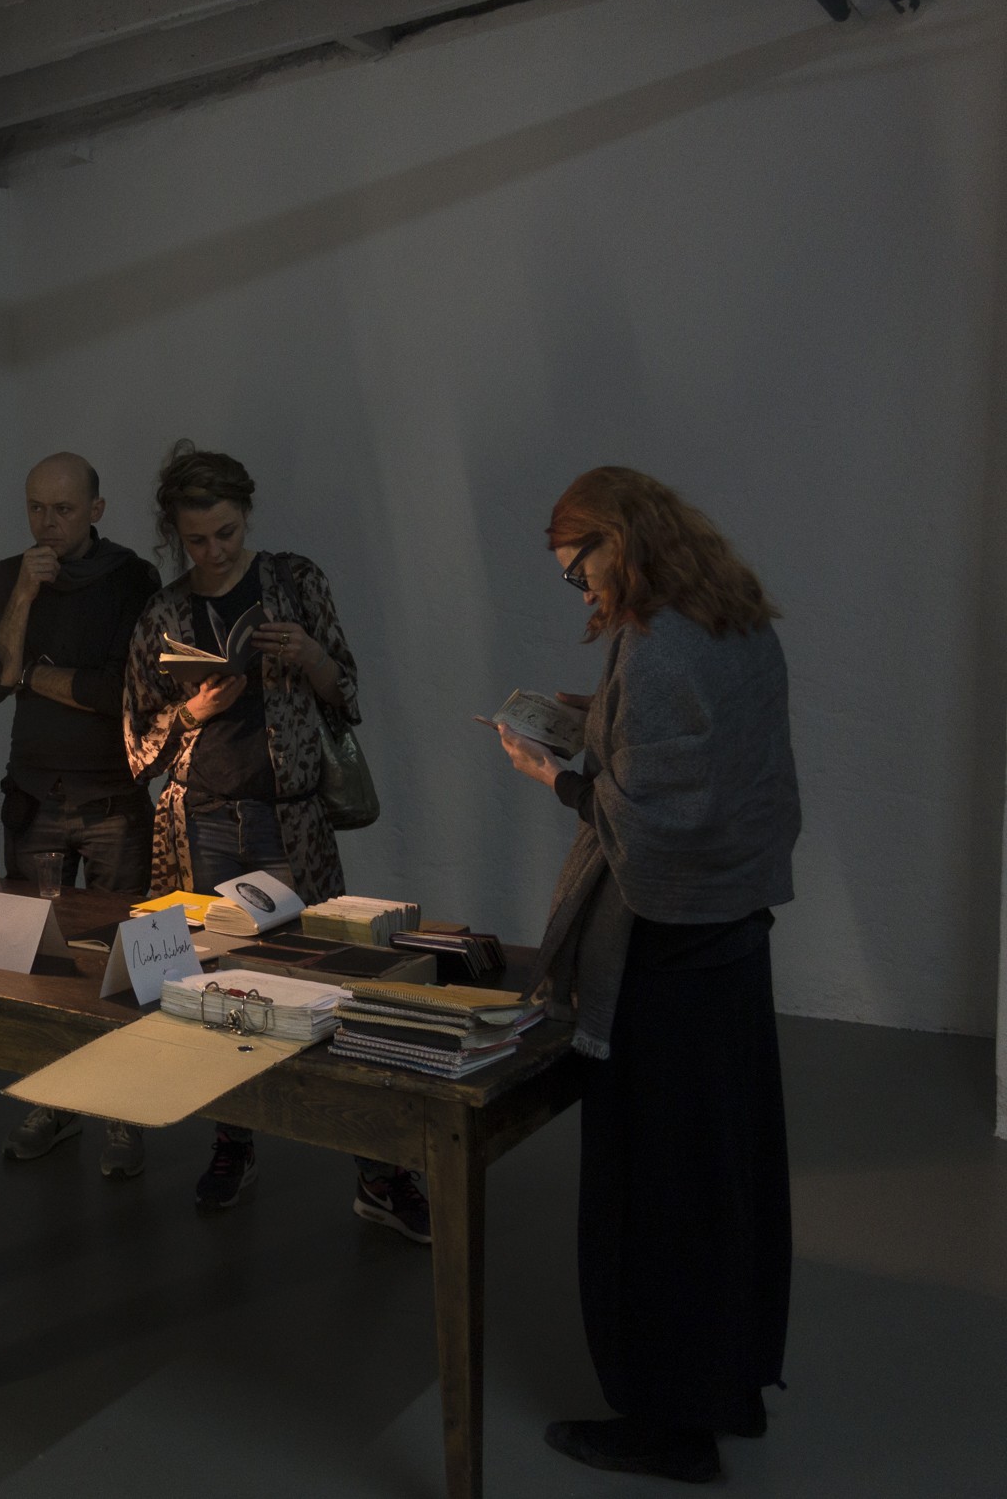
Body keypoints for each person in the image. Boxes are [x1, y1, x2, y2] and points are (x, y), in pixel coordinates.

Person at [494, 466, 798, 1485]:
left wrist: (557, 773)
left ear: (619, 540)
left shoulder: (657, 644)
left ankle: (670, 1426)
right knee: (724, 1184)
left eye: (579, 567)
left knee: (657, 1198)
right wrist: (600, 720)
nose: (580, 588)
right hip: (731, 949)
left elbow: (655, 826)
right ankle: (728, 1388)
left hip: (666, 963)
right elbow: (701, 764)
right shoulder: (734, 617)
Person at [123, 442, 426, 1237]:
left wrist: (313, 657)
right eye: (196, 540)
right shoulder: (163, 614)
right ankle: (234, 1140)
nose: (213, 552)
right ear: (175, 534)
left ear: (246, 516)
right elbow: (137, 748)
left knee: (328, 983)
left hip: (289, 817)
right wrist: (194, 711)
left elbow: (348, 695)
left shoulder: (294, 581)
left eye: (225, 533)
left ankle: (377, 1168)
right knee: (218, 991)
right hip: (201, 822)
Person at [0, 451, 160, 1176]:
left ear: (96, 511)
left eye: (63, 510)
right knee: (39, 962)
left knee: (121, 960)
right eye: (36, 508)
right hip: (34, 796)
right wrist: (22, 595)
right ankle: (54, 1100)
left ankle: (122, 1110)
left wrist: (30, 672)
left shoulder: (132, 578)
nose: (46, 523)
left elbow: (118, 693)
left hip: (112, 797)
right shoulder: (8, 575)